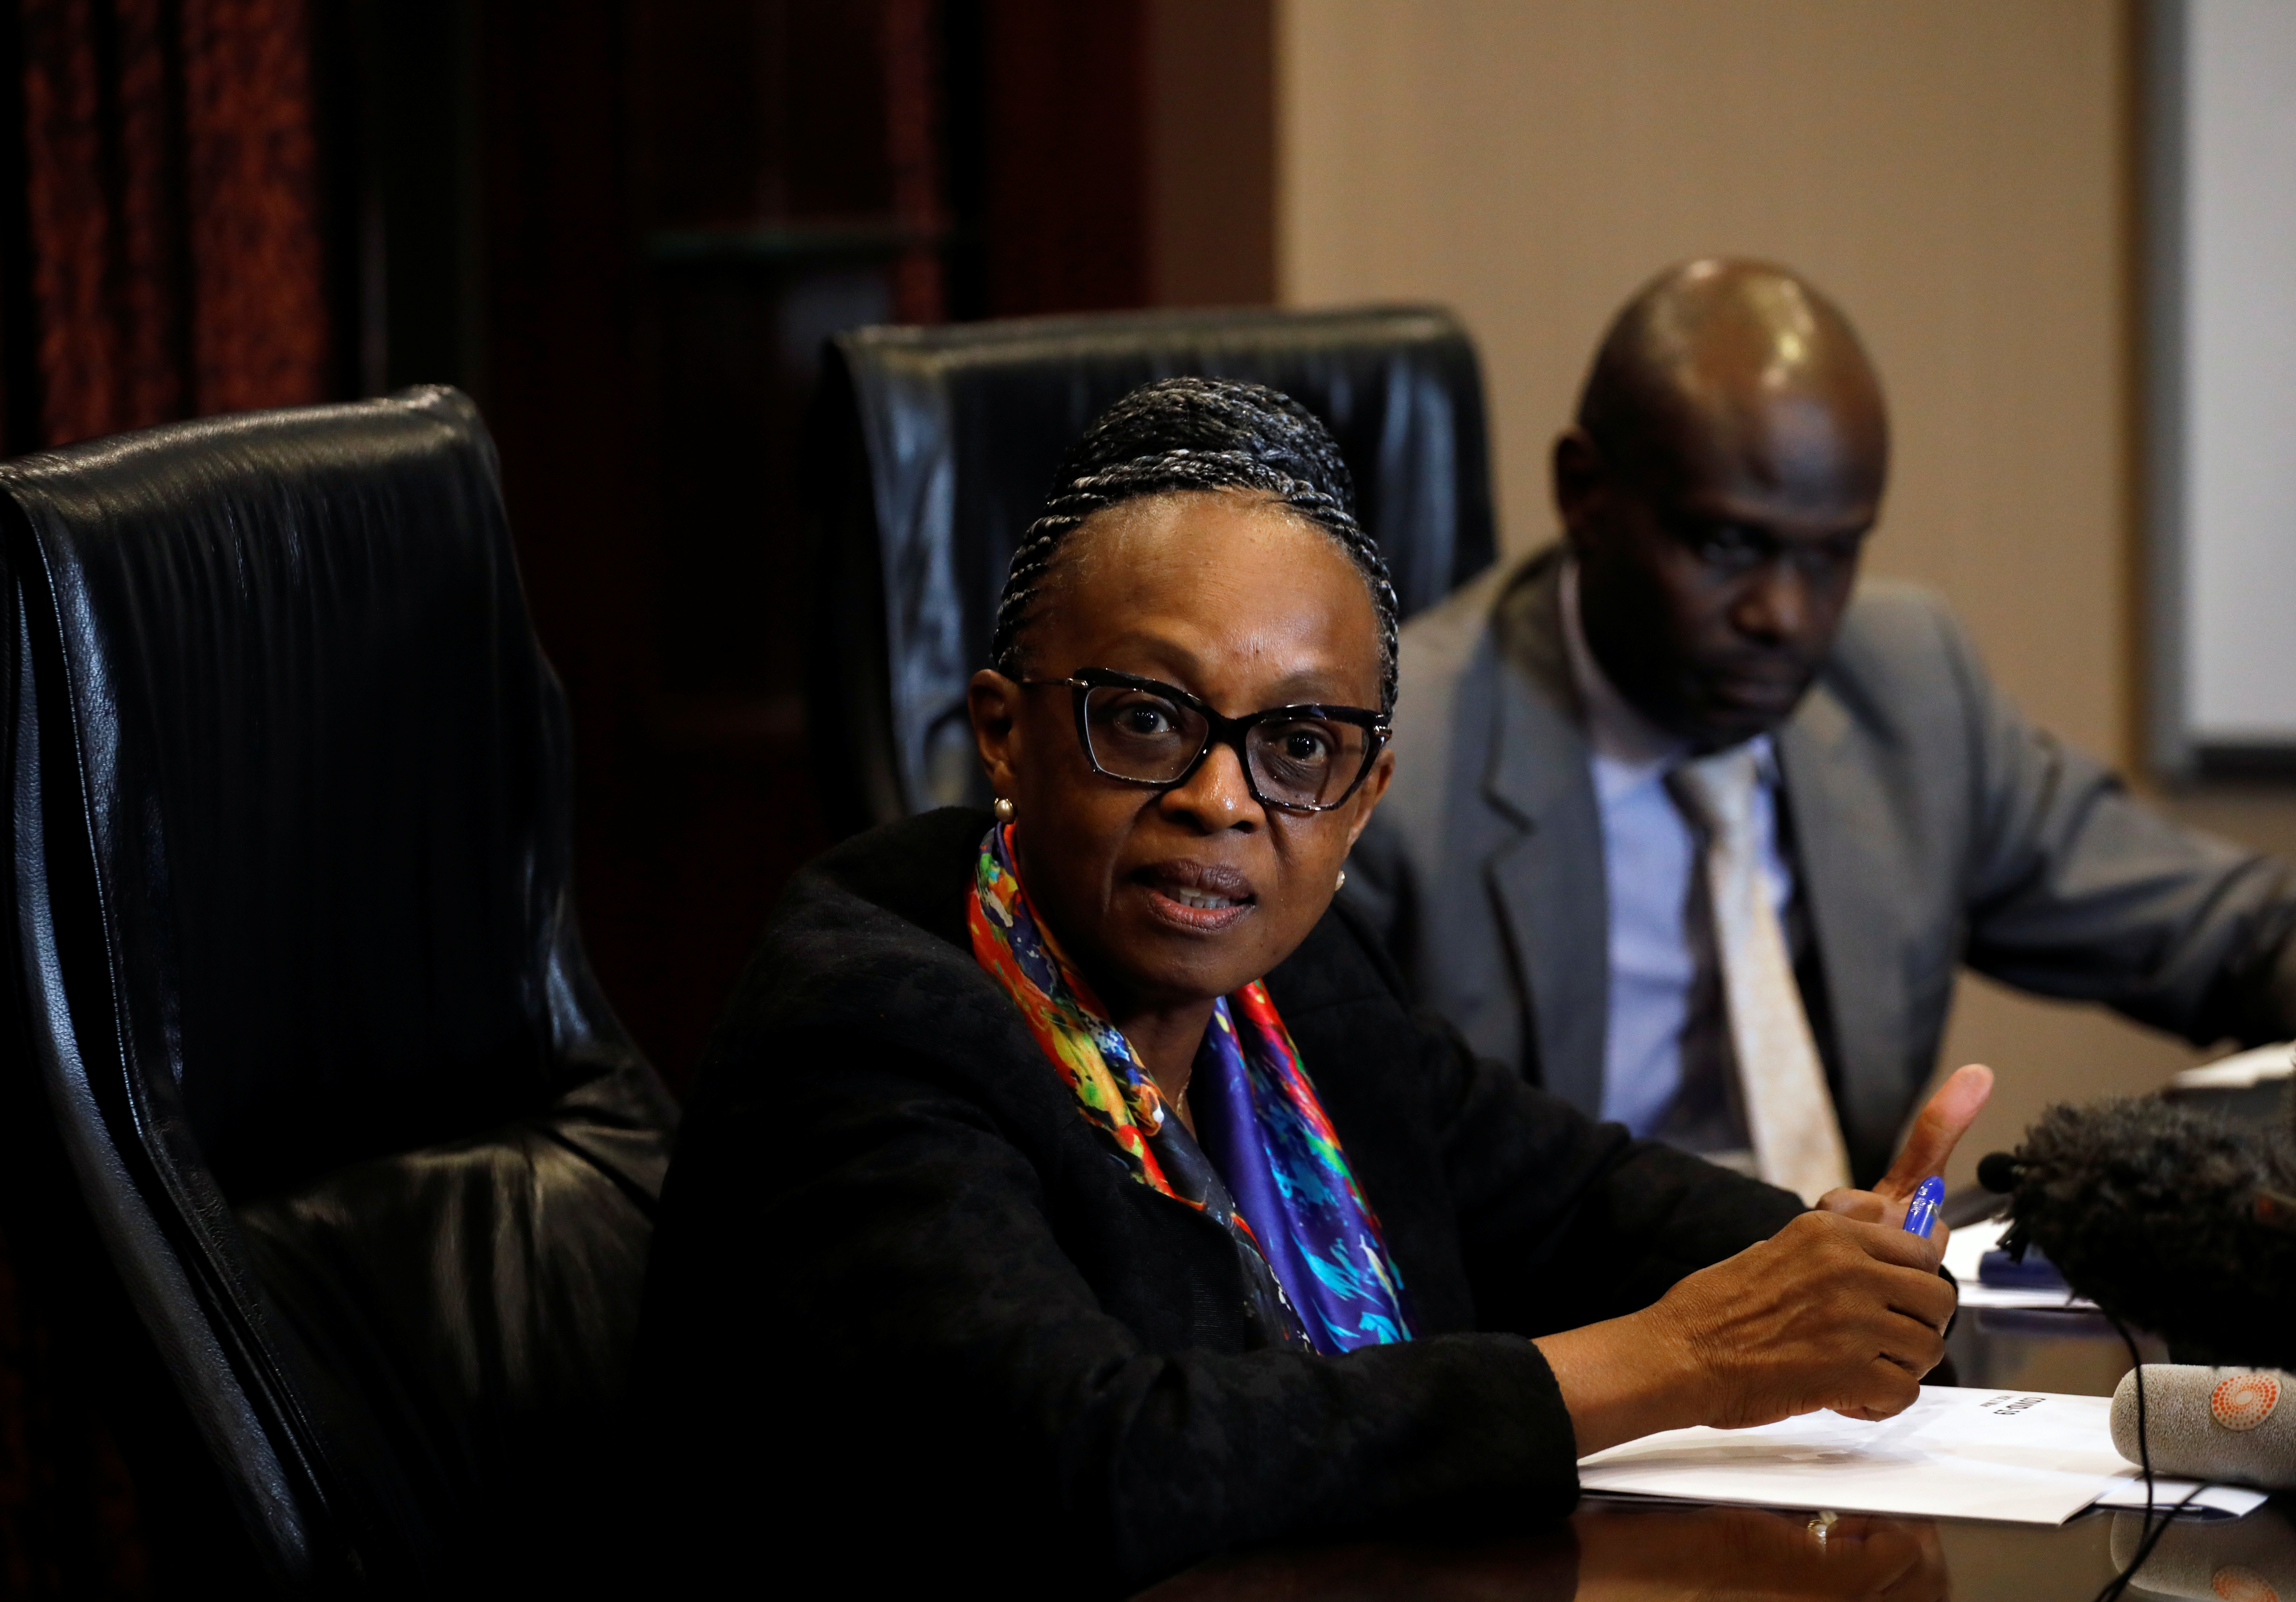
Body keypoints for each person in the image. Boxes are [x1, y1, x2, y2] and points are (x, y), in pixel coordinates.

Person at [632, 378, 1990, 1596]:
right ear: (1004, 731)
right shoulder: (870, 1017)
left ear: (1363, 793)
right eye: (1146, 720)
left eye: (1298, 745)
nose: (1223, 800)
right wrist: (1679, 1359)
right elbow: (1091, 1467)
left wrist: (1848, 1269)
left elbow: (1583, 1202)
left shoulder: (1297, 985)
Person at [1347, 257, 2296, 1196]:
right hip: (1568, 1340)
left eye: (1830, 554)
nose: (1785, 614)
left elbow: (2237, 930)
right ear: (1584, 493)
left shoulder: (1904, 684)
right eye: (1726, 545)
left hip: (1851, 1325)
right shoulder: (1397, 765)